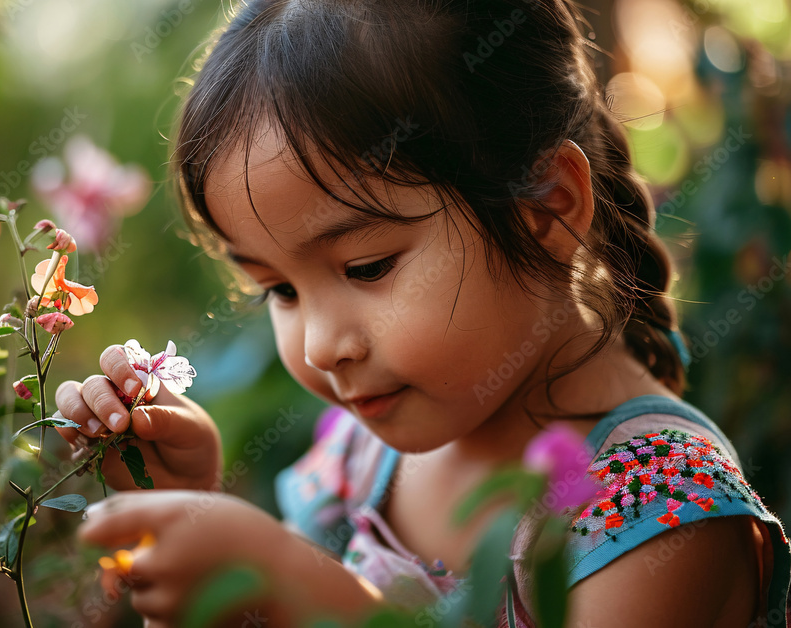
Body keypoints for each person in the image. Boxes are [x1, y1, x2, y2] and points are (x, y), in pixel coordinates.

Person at [51, 0, 791, 625]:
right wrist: (195, 518)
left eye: (367, 267)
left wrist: (293, 585)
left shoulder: (660, 514)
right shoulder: (365, 457)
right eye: (279, 290)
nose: (321, 345)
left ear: (547, 211)